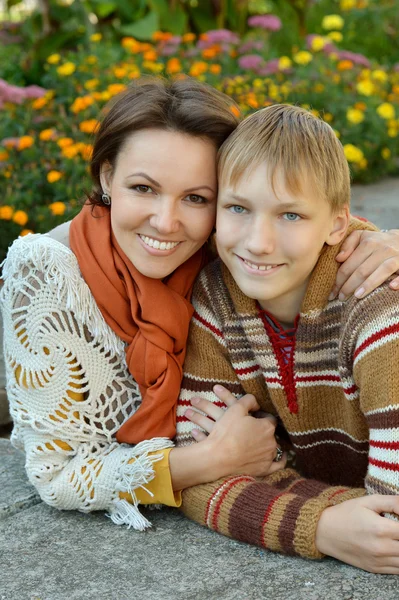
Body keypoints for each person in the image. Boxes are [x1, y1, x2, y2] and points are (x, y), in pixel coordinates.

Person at [1, 79, 399, 532]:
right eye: (143, 188)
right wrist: (210, 459)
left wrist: (377, 242)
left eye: (196, 198)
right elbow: (57, 477)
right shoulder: (49, 274)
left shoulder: (224, 256)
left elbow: (300, 218)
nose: (167, 222)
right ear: (107, 177)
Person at [175, 104, 399, 574]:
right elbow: (196, 470)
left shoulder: (380, 309)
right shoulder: (215, 299)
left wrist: (269, 476)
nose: (258, 241)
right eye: (238, 208)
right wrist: (323, 525)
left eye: (291, 215)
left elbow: (389, 527)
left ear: (337, 223)